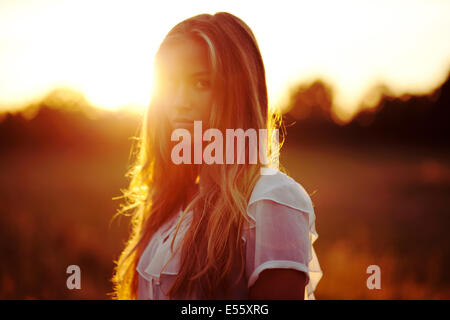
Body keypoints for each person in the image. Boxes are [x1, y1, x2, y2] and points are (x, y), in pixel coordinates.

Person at [111, 11, 322, 300]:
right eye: (170, 83)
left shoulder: (271, 199)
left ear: (238, 92)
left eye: (200, 83)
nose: (178, 102)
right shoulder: (172, 200)